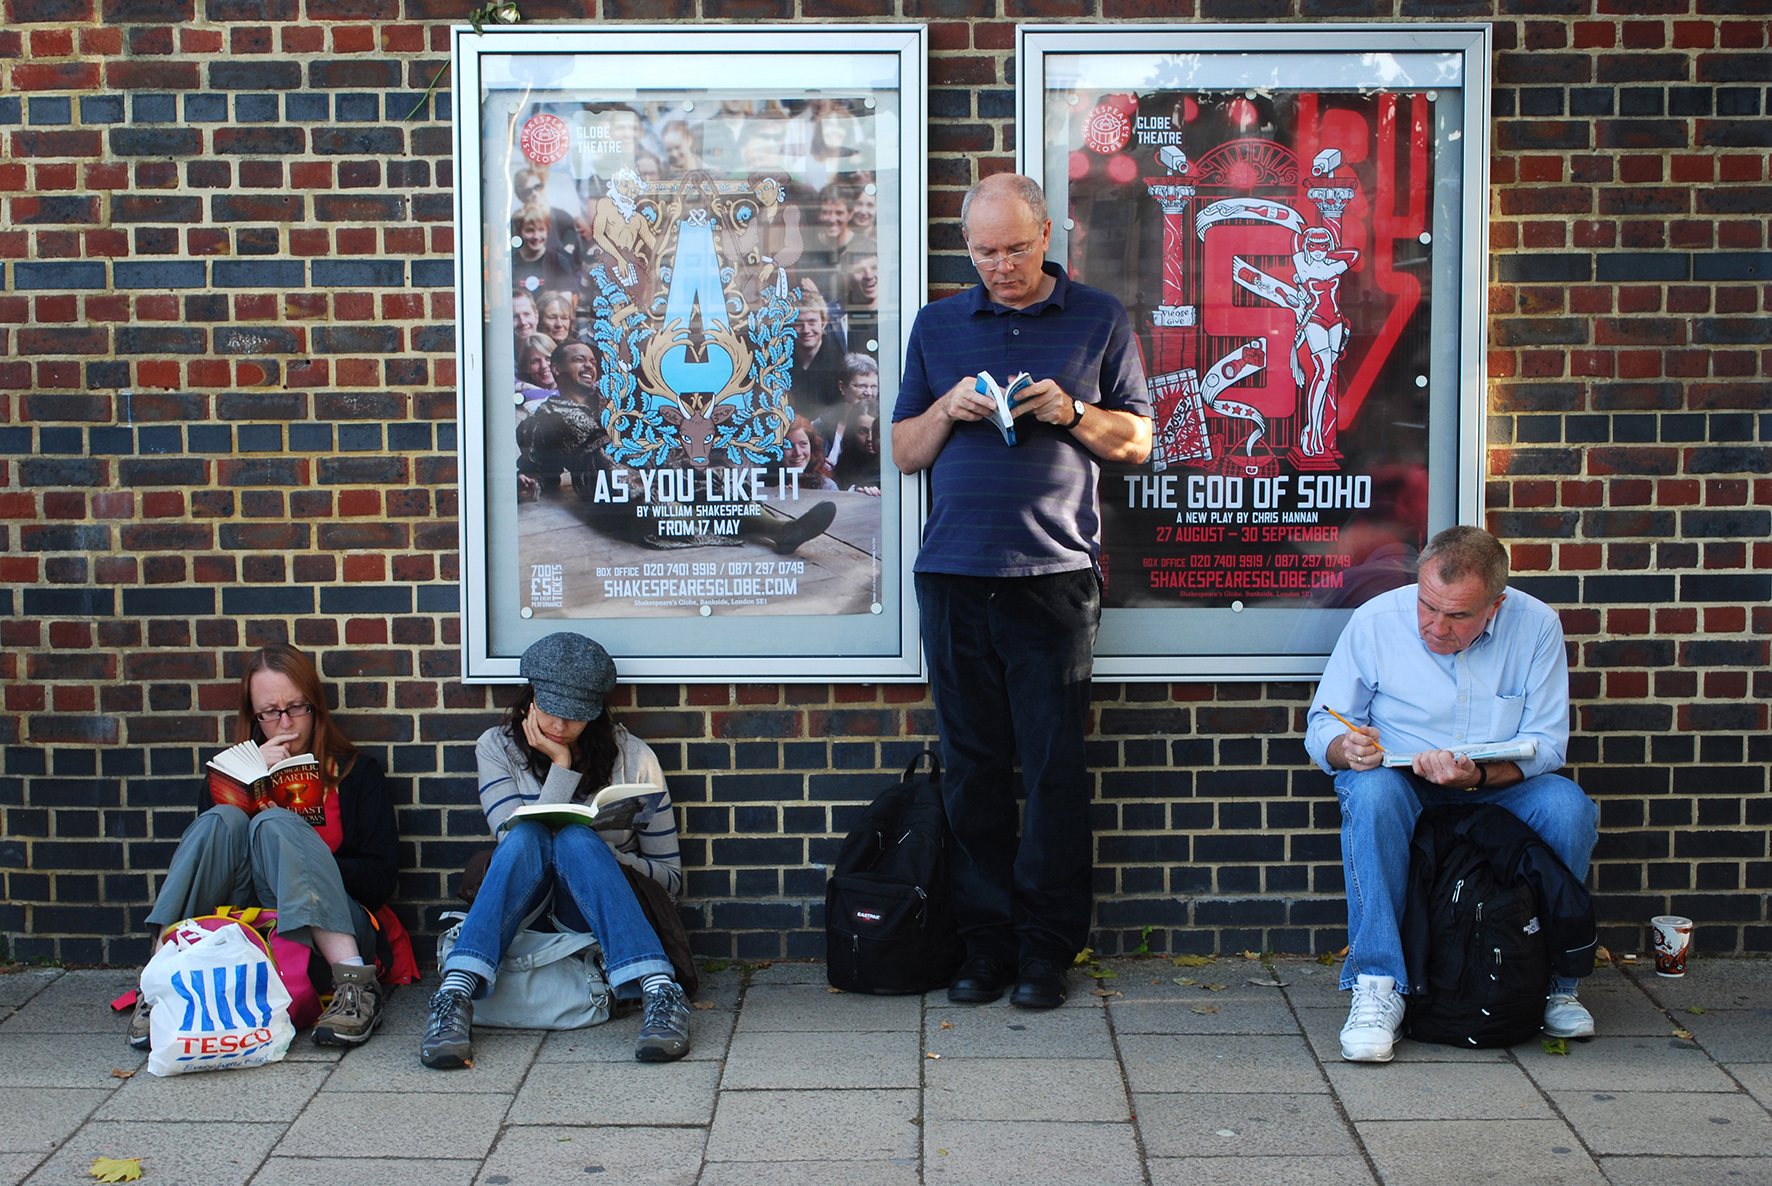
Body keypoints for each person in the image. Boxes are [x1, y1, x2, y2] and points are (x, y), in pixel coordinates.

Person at [891, 173, 1152, 1010]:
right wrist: (947, 407)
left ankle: (1046, 951)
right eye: (982, 251)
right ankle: (984, 946)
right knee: (971, 772)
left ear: (1048, 234)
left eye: (1013, 247)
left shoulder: (1099, 317)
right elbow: (902, 450)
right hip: (955, 576)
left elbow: (1139, 442)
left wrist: (1073, 411)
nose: (999, 266)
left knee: (1052, 773)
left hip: (1054, 579)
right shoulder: (937, 324)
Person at [1304, 525, 1599, 1063]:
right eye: (1427, 606)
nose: (1435, 627)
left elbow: (1549, 745)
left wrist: (1478, 778)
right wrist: (1348, 747)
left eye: (1458, 616)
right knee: (1370, 796)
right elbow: (1322, 723)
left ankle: (1557, 981)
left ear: (1496, 605)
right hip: (1401, 783)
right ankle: (1377, 984)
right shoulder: (1375, 621)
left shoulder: (1535, 627)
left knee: (1567, 805)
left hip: (1493, 786)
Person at [422, 633, 691, 1068]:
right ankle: (454, 997)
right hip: (520, 910)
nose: (560, 727)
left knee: (575, 839)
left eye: (574, 717)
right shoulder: (497, 748)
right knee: (528, 836)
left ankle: (661, 994)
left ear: (596, 714)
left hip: (592, 914)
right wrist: (561, 767)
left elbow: (672, 879)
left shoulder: (635, 758)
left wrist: (603, 855)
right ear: (529, 697)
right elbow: (508, 839)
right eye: (550, 710)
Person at [130, 644, 400, 1050]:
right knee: (222, 821)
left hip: (330, 936)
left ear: (316, 706)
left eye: (297, 708)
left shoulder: (358, 774)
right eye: (270, 712)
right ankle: (157, 982)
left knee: (276, 823)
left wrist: (301, 858)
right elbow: (207, 866)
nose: (285, 723)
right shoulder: (229, 777)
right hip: (245, 930)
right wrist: (247, 793)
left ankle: (356, 988)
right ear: (253, 716)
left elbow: (380, 881)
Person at [830, 398, 881, 495]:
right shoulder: (842, 471)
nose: (870, 438)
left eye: (875, 432)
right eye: (862, 431)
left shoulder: (892, 472)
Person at [784, 414, 837, 491]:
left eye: (803, 444)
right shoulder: (763, 483)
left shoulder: (827, 487)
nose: (798, 452)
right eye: (789, 446)